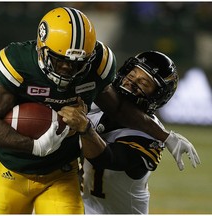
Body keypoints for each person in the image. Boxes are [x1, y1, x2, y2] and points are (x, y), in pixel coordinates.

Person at [0, 7, 198, 214]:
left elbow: (107, 155)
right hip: (24, 175)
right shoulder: (20, 64)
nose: (69, 68)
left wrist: (165, 136)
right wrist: (34, 145)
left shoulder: (145, 130)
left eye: (144, 84)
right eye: (132, 75)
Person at [58, 51, 201, 214]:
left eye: (144, 83)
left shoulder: (149, 136)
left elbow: (107, 159)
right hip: (81, 206)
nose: (131, 82)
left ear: (157, 96)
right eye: (132, 74)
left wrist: (85, 129)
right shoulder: (97, 100)